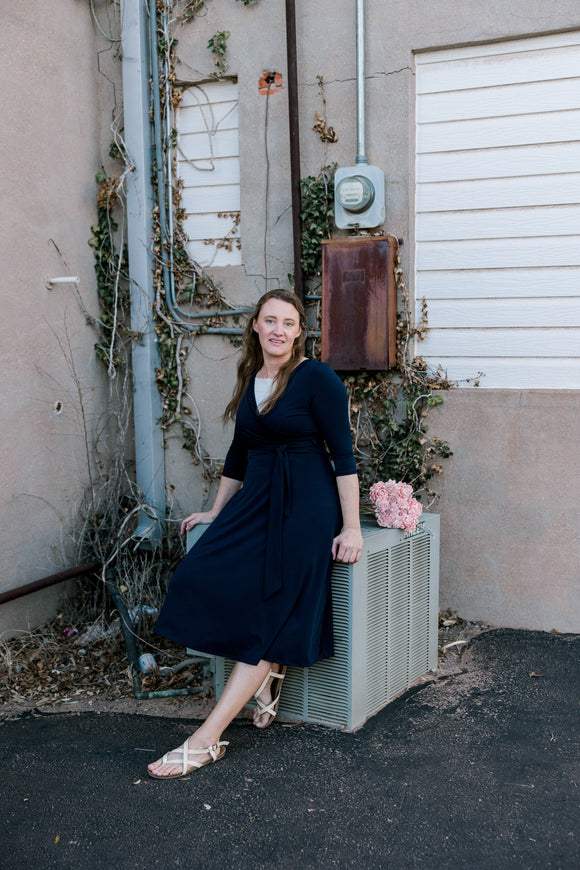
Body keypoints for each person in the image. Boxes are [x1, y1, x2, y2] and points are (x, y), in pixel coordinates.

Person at [148, 289, 363, 780]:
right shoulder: (252, 378)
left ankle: (206, 740)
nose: (279, 330)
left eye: (289, 323)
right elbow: (239, 455)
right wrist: (215, 512)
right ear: (255, 327)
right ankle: (265, 684)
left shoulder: (317, 379)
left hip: (307, 506)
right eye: (270, 321)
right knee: (197, 577)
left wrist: (351, 526)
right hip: (256, 501)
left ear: (299, 333)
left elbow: (343, 457)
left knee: (271, 610)